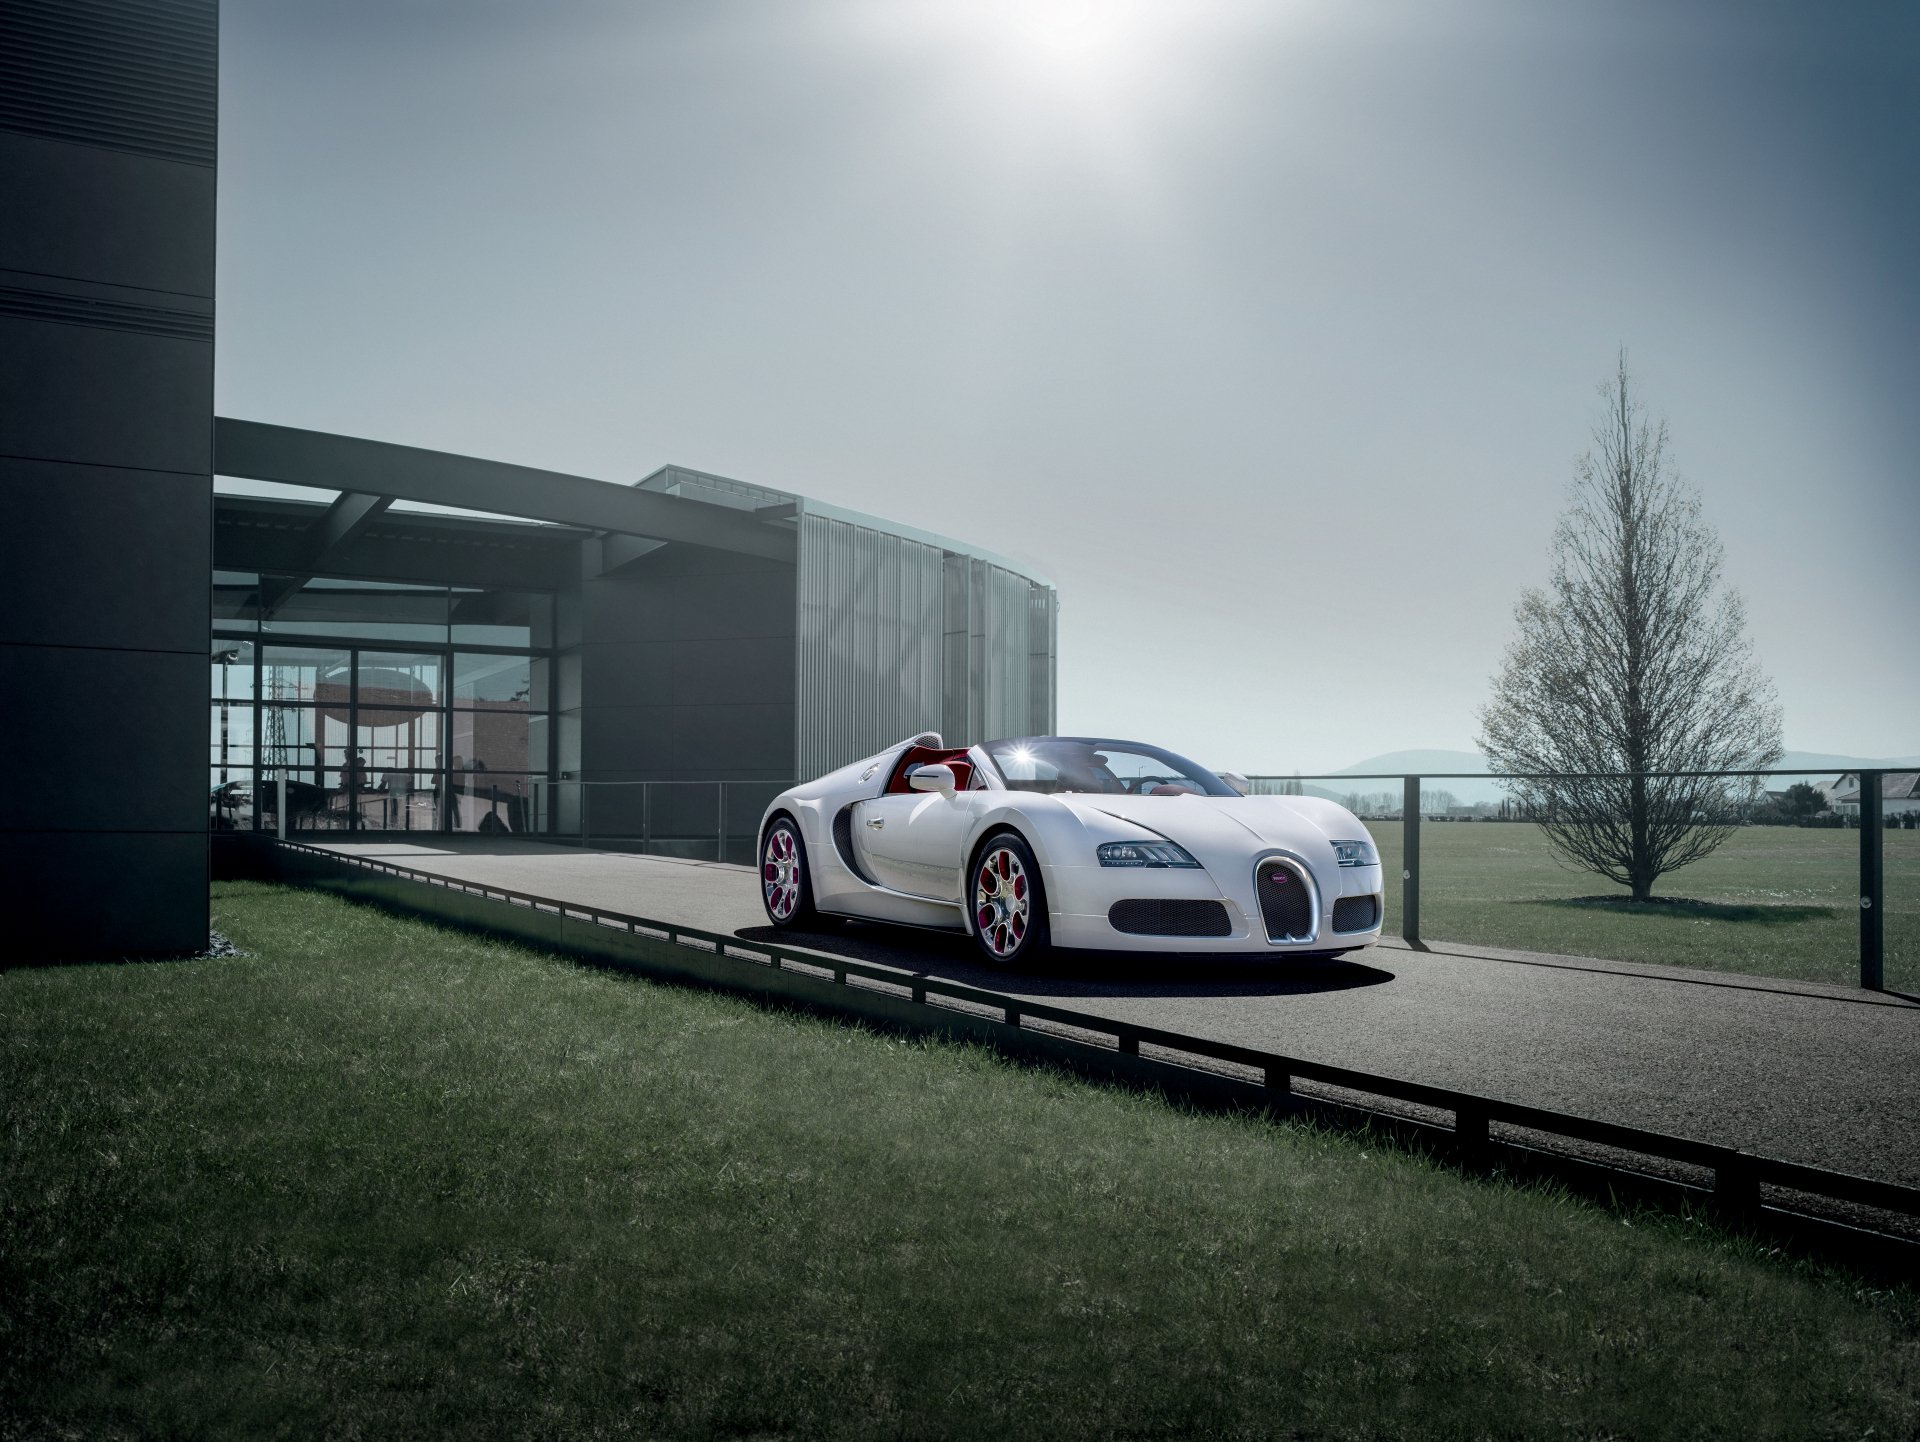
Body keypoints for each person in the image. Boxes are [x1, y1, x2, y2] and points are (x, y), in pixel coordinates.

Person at [340, 751, 368, 830]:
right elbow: (343, 777)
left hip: (354, 788)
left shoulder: (352, 764)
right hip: (353, 788)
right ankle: (355, 826)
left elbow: (343, 777)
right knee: (355, 806)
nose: (345, 756)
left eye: (346, 755)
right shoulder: (346, 765)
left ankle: (352, 826)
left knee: (355, 806)